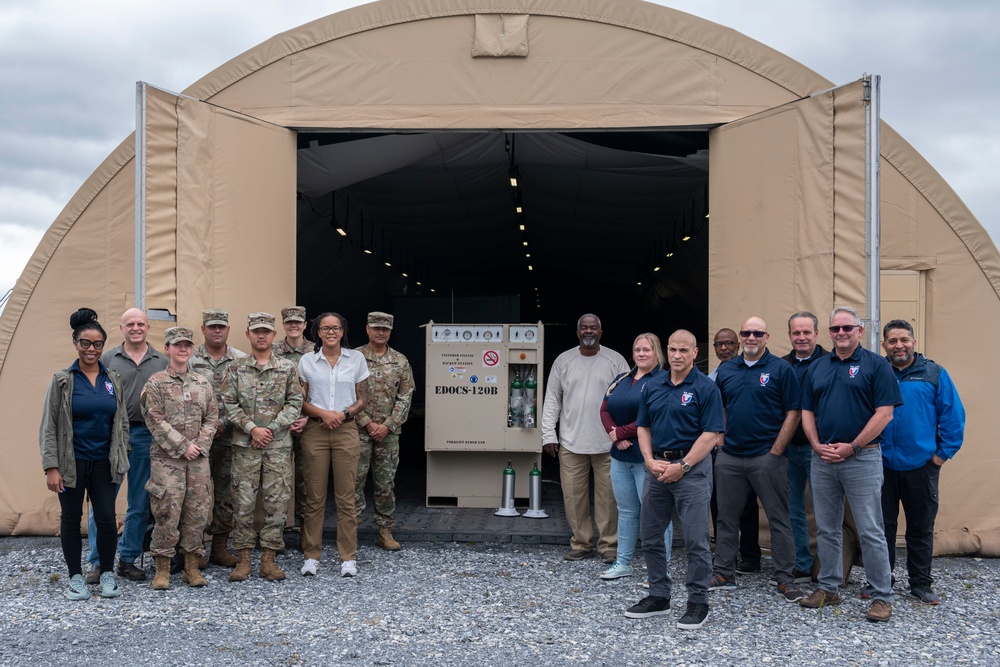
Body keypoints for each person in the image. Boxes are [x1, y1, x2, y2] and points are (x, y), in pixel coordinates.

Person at [798, 306, 902, 623]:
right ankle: (829, 587)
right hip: (824, 458)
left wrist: (852, 446)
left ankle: (882, 596)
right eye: (835, 329)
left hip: (863, 457)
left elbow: (885, 414)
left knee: (870, 529)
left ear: (860, 330)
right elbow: (807, 413)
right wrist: (816, 445)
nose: (841, 334)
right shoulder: (817, 368)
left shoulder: (876, 366)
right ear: (828, 333)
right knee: (827, 527)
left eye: (847, 328)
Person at [625, 330, 724, 630]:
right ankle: (658, 596)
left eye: (684, 350)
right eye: (672, 350)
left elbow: (711, 434)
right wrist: (649, 460)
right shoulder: (654, 385)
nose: (677, 355)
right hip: (656, 469)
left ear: (695, 353)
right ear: (666, 351)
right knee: (651, 536)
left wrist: (682, 465)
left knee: (695, 540)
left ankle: (697, 602)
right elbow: (643, 426)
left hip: (690, 470)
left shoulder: (706, 388)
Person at [864, 319, 965, 605]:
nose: (899, 346)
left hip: (922, 465)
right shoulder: (876, 371)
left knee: (920, 527)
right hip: (880, 463)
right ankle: (882, 582)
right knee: (881, 527)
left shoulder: (933, 373)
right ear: (884, 345)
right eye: (893, 341)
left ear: (913, 342)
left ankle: (920, 584)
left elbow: (953, 418)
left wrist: (939, 458)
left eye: (904, 340)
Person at [710, 317, 804, 603]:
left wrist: (776, 450)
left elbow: (793, 412)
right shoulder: (727, 369)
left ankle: (785, 577)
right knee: (726, 518)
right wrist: (722, 444)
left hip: (767, 456)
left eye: (757, 333)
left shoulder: (781, 369)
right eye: (747, 333)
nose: (752, 337)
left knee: (779, 518)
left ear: (767, 336)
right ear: (741, 337)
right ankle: (724, 572)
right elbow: (721, 408)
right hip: (731, 457)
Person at [40, 308, 129, 600]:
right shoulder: (63, 380)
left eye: (98, 344)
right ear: (75, 343)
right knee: (70, 518)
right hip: (71, 462)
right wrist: (51, 467)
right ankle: (75, 578)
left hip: (105, 462)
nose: (91, 349)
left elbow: (122, 422)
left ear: (104, 346)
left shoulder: (112, 378)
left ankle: (106, 573)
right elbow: (49, 426)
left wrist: (122, 455)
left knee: (105, 518)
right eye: (85, 343)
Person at [85, 308, 167, 583]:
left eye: (140, 323)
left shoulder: (161, 361)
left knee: (140, 501)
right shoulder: (107, 359)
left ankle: (128, 559)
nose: (136, 328)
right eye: (130, 324)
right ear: (121, 328)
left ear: (147, 327)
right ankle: (97, 562)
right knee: (102, 501)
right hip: (113, 437)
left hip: (146, 435)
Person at [220, 313, 304, 582]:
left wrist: (270, 429)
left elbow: (295, 402)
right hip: (245, 445)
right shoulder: (235, 368)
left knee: (276, 503)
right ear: (247, 334)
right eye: (256, 331)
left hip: (277, 445)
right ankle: (243, 559)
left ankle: (269, 558)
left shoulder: (288, 368)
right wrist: (251, 428)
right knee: (242, 503)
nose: (261, 336)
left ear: (273, 335)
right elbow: (228, 403)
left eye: (266, 331)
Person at [541, 314, 627, 563]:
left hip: (608, 442)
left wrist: (624, 434)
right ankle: (581, 543)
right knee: (573, 495)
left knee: (609, 497)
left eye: (593, 328)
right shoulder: (564, 360)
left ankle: (609, 545)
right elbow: (552, 399)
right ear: (577, 332)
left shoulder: (615, 360)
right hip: (571, 441)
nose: (589, 331)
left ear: (601, 332)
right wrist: (549, 434)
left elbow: (627, 399)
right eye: (584, 328)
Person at [141, 327, 219, 590]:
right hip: (167, 460)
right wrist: (183, 445)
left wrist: (199, 445)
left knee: (197, 512)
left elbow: (212, 417)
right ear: (167, 349)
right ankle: (162, 570)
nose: (183, 349)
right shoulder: (156, 383)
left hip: (198, 459)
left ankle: (191, 567)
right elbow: (154, 419)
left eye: (187, 345)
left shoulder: (202, 382)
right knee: (167, 511)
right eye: (177, 345)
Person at [297, 312, 370, 577]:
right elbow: (300, 400)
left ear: (342, 332)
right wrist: (323, 414)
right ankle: (311, 555)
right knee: (314, 498)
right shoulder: (307, 361)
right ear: (317, 332)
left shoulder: (356, 359)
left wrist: (342, 414)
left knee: (346, 498)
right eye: (325, 328)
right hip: (316, 431)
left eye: (335, 328)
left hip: (345, 430)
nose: (330, 332)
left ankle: (347, 557)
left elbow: (363, 398)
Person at [598, 333, 672, 580]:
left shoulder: (663, 380)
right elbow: (604, 408)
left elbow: (652, 415)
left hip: (647, 457)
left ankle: (662, 570)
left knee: (655, 512)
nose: (641, 354)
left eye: (647, 350)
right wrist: (615, 435)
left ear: (657, 352)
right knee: (627, 511)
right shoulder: (622, 379)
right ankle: (623, 562)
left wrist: (622, 431)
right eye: (637, 349)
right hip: (620, 455)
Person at [189, 308, 247, 569]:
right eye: (211, 327)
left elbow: (246, 399)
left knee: (226, 493)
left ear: (228, 330)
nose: (216, 331)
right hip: (197, 439)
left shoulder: (240, 360)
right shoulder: (189, 359)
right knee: (196, 495)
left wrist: (222, 423)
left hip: (228, 435)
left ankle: (220, 547)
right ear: (203, 329)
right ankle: (196, 547)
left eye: (221, 327)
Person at [354, 311, 415, 551]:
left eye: (385, 329)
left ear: (390, 331)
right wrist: (367, 422)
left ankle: (385, 530)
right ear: (367, 329)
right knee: (354, 481)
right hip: (358, 430)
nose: (380, 332)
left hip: (388, 433)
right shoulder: (354, 358)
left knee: (385, 483)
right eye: (376, 328)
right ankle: (352, 530)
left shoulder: (400, 361)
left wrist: (388, 425)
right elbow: (345, 392)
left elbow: (405, 396)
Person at [708, 327, 761, 575]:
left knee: (748, 505)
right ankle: (724, 557)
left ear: (738, 345)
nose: (724, 348)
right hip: (718, 450)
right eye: (719, 345)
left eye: (729, 343)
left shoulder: (748, 372)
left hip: (745, 448)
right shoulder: (709, 379)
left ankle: (750, 556)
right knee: (719, 505)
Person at [781, 311, 827, 583]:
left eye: (806, 332)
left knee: (824, 511)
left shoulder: (830, 362)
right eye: (796, 333)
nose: (801, 337)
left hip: (819, 449)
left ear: (816, 334)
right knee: (793, 509)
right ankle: (801, 561)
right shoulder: (781, 365)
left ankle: (825, 567)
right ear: (789, 336)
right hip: (787, 449)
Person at [272, 306, 312, 529]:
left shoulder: (317, 352)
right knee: (278, 480)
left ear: (305, 325)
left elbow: (324, 389)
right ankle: (278, 531)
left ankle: (307, 531)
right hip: (280, 425)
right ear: (284, 325)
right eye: (289, 323)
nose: (294, 326)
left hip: (310, 423)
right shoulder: (272, 351)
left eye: (298, 322)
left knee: (307, 480)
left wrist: (307, 417)